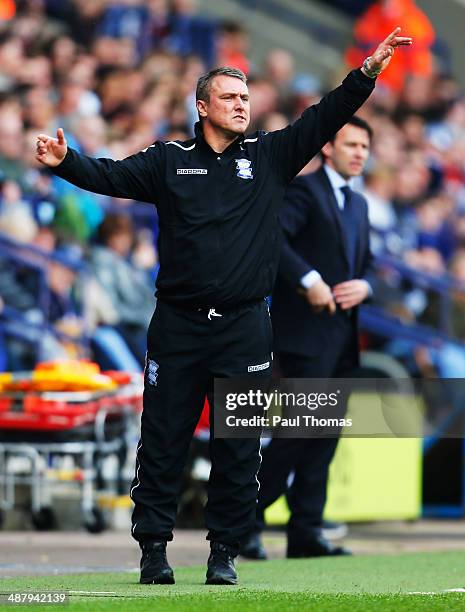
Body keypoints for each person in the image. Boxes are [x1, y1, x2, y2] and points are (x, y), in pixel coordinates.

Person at [35, 28, 412, 586]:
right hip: (178, 326)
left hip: (245, 328)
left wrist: (367, 73)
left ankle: (224, 554)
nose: (243, 106)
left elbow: (323, 116)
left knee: (238, 447)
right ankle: (154, 552)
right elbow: (110, 176)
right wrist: (67, 162)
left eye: (246, 98)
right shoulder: (169, 161)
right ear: (203, 106)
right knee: (163, 440)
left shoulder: (270, 157)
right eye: (231, 98)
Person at [241, 116, 375, 560]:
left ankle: (305, 530)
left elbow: (366, 263)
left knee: (324, 438)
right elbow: (274, 240)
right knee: (297, 434)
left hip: (342, 338)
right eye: (350, 144)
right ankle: (245, 520)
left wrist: (365, 286)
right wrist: (310, 279)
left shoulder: (358, 205)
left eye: (364, 146)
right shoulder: (305, 190)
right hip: (305, 335)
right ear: (327, 148)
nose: (359, 153)